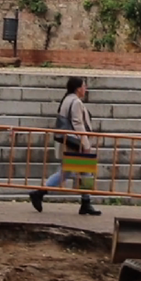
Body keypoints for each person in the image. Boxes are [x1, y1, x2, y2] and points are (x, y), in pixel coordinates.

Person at [29, 77, 101, 216]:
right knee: (78, 172)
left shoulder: (68, 99)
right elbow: (77, 124)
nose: (85, 89)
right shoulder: (75, 102)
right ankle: (40, 192)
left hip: (70, 142)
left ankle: (85, 202)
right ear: (78, 88)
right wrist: (85, 144)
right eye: (84, 86)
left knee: (73, 172)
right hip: (75, 144)